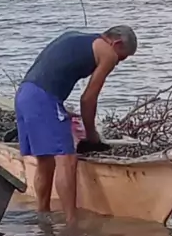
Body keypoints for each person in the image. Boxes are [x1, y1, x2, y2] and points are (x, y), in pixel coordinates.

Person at [14, 26, 137, 224]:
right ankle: (72, 223)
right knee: (67, 159)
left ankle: (43, 215)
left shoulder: (76, 37)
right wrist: (92, 135)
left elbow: (51, 70)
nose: (119, 62)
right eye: (123, 57)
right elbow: (88, 99)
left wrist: (57, 108)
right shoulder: (108, 53)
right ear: (117, 43)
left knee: (45, 160)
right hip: (43, 99)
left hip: (25, 94)